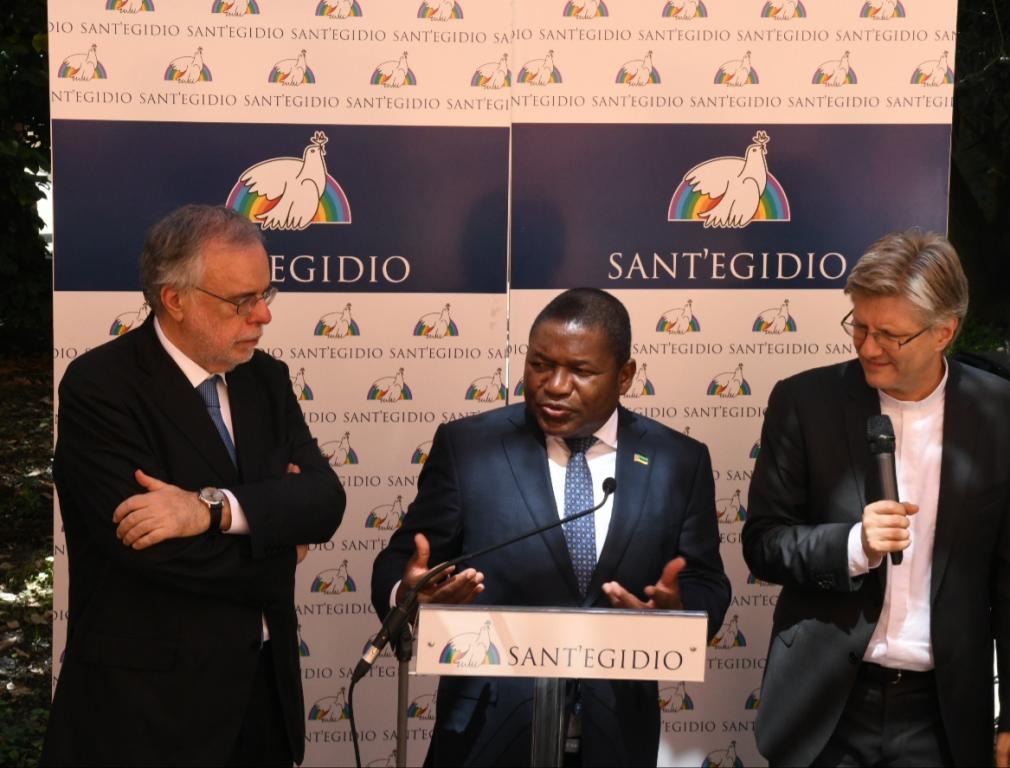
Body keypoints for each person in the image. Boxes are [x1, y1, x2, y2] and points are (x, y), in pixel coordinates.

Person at [371, 288, 730, 767]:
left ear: (625, 376)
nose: (555, 385)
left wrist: (679, 613)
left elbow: (706, 581)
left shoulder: (678, 460)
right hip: (486, 736)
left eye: (581, 371)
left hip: (616, 739)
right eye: (540, 365)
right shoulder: (468, 447)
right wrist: (410, 594)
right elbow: (400, 561)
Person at [41, 205, 345, 767]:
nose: (263, 316)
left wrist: (211, 510)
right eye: (242, 301)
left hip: (262, 701)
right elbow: (151, 553)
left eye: (266, 294)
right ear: (174, 299)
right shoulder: (101, 386)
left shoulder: (266, 379)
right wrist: (283, 546)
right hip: (146, 715)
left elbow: (324, 502)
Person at [742, 230, 1010, 767]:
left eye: (889, 334)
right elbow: (764, 543)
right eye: (859, 326)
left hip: (942, 714)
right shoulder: (803, 401)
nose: (867, 347)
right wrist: (852, 545)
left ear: (944, 332)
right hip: (824, 710)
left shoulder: (999, 414)